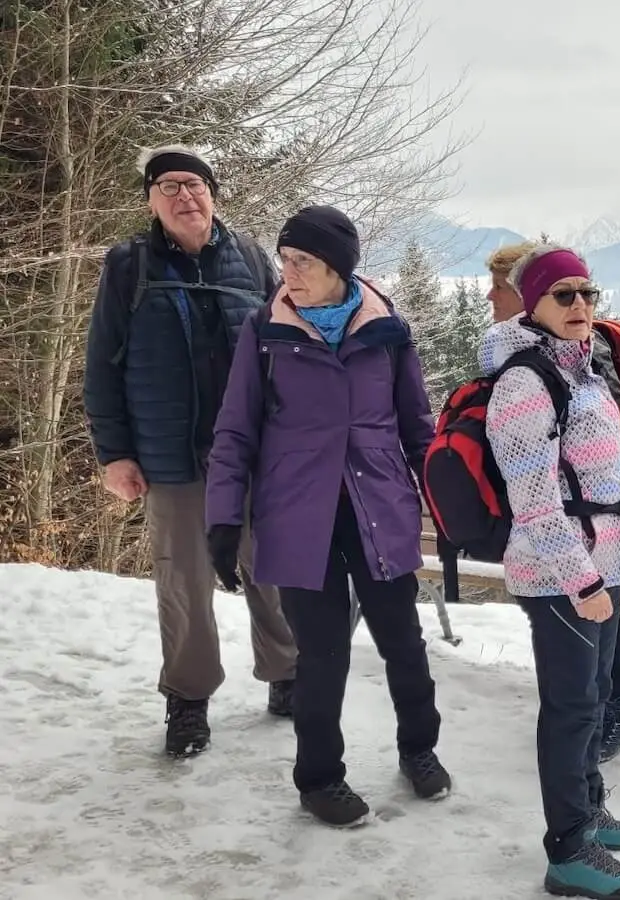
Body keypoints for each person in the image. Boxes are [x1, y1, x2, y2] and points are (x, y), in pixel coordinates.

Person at [203, 205, 450, 827]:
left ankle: (420, 750)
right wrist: (224, 518)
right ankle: (319, 778)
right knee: (321, 655)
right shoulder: (266, 330)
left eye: (302, 261)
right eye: (284, 260)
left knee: (403, 643)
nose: (288, 273)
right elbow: (235, 430)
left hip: (378, 510)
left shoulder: (387, 328)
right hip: (297, 517)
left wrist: (446, 506)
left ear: (338, 267)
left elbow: (418, 426)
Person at [82, 144, 296, 759]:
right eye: (169, 185)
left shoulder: (252, 258)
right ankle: (189, 699)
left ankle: (288, 675)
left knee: (272, 566)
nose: (184, 196)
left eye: (194, 184)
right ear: (151, 199)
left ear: (213, 194)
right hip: (169, 457)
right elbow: (102, 365)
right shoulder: (129, 266)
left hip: (253, 453)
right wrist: (113, 453)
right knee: (184, 581)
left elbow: (289, 351)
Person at [483, 243, 620, 898]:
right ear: (535, 304)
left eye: (589, 293)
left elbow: (604, 473)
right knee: (572, 708)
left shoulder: (581, 370)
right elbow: (534, 503)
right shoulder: (526, 383)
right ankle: (567, 849)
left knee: (593, 698)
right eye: (565, 295)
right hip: (560, 574)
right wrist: (580, 581)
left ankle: (589, 808)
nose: (581, 305)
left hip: (600, 562)